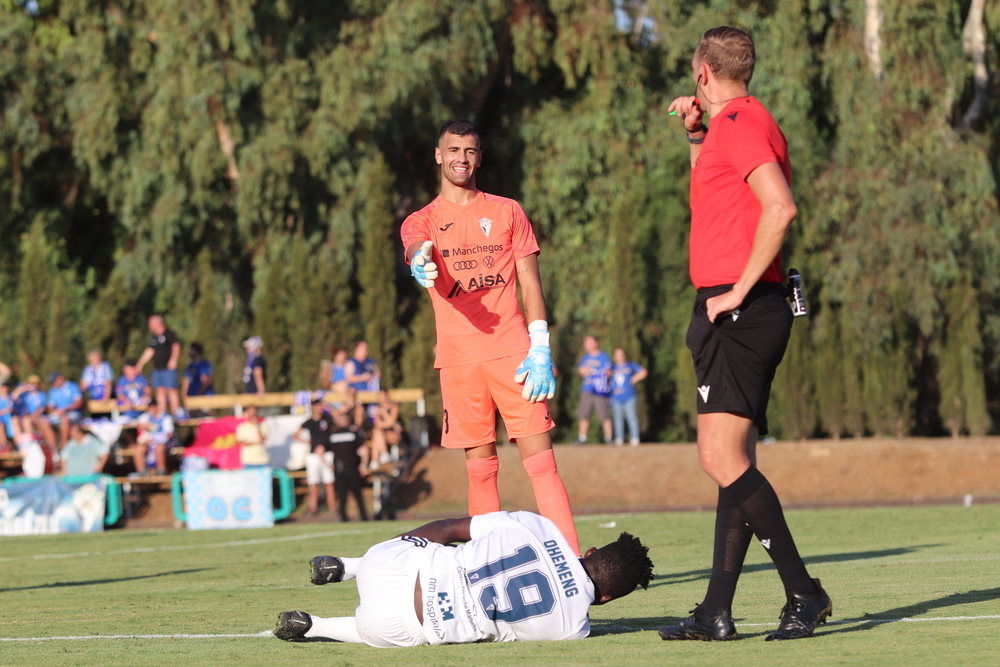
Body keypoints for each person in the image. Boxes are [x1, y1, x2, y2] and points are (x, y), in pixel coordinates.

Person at [660, 26, 831, 643]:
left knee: (719, 458)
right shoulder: (731, 125)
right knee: (732, 464)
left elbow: (780, 207)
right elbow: (713, 199)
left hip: (742, 306)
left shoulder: (741, 123)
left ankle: (805, 593)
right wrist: (694, 134)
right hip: (736, 304)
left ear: (703, 72)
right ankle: (716, 612)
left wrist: (735, 292)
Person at [400, 119, 580, 556]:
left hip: (516, 354)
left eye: (470, 151)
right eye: (453, 150)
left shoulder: (507, 211)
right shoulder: (421, 220)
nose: (462, 158)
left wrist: (541, 345)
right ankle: (490, 567)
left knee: (542, 463)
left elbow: (530, 283)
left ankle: (573, 566)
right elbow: (413, 245)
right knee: (480, 471)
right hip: (459, 361)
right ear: (439, 155)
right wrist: (417, 260)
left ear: (480, 157)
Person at [273, 510, 653, 646]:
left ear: (589, 552)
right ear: (606, 600)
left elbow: (450, 528)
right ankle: (312, 626)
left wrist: (386, 553)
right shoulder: (573, 629)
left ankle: (346, 566)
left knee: (446, 547)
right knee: (375, 630)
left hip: (390, 563)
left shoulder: (539, 526)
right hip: (400, 625)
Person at [134, 314, 182, 418]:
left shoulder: (169, 334)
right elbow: (150, 351)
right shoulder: (154, 338)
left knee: (171, 390)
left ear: (157, 323)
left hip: (168, 369)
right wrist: (140, 364)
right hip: (157, 369)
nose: (149, 326)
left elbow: (176, 346)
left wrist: (173, 360)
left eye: (150, 324)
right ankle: (162, 414)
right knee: (160, 391)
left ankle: (176, 413)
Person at [326, 410, 369, 522]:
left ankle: (344, 518)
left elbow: (320, 450)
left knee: (342, 495)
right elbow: (364, 450)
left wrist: (328, 465)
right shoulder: (353, 433)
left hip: (340, 469)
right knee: (356, 495)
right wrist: (363, 465)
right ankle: (363, 517)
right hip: (351, 468)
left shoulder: (333, 434)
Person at [295, 401, 336, 516]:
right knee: (314, 482)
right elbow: (295, 435)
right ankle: (313, 507)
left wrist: (330, 407)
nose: (320, 409)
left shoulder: (328, 419)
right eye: (318, 406)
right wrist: (308, 442)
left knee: (329, 482)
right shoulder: (309, 422)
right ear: (313, 408)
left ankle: (332, 506)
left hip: (327, 454)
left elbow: (338, 418)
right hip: (314, 455)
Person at [576, 335, 613, 445]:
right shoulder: (584, 358)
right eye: (585, 342)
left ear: (596, 343)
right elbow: (579, 372)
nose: (586, 344)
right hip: (587, 389)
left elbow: (609, 372)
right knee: (584, 414)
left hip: (599, 391)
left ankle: (609, 438)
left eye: (589, 342)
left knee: (604, 414)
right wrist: (582, 371)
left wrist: (594, 371)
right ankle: (582, 438)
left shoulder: (603, 357)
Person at [611, 347, 647, 446]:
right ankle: (619, 438)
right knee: (618, 418)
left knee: (631, 417)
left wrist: (634, 378)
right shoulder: (612, 368)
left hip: (629, 396)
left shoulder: (630, 365)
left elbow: (643, 372)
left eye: (621, 354)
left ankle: (635, 438)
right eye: (617, 354)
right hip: (615, 397)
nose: (619, 356)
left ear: (624, 355)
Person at [12, 375, 56, 447]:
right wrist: (20, 390)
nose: (33, 385)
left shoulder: (42, 394)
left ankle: (33, 441)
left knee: (27, 420)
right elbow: (13, 398)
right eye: (31, 383)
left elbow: (41, 409)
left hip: (38, 417)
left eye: (35, 383)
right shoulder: (24, 395)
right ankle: (28, 442)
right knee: (18, 420)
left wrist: (32, 416)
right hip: (27, 418)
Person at [134, 401, 175, 475]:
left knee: (159, 448)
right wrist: (143, 426)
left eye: (152, 409)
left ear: (157, 407)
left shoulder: (166, 417)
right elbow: (137, 424)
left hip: (164, 442)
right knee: (138, 449)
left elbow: (170, 434)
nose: (151, 411)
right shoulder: (146, 417)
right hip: (149, 442)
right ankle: (141, 472)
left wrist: (156, 439)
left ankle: (161, 471)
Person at [344, 341, 379, 428]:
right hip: (358, 397)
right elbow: (348, 378)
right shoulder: (351, 362)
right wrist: (363, 377)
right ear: (357, 349)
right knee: (359, 411)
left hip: (373, 396)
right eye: (363, 348)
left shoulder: (370, 362)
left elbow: (378, 374)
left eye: (366, 348)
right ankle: (358, 431)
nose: (366, 351)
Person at [46, 371, 84, 450]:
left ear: (61, 378)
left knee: (65, 419)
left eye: (54, 381)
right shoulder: (53, 390)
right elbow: (50, 407)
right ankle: (53, 450)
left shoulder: (72, 386)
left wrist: (65, 409)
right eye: (52, 382)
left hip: (73, 414)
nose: (54, 384)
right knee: (44, 422)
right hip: (59, 415)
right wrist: (55, 411)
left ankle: (64, 447)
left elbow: (79, 402)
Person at [369, 389, 403, 467]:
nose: (382, 399)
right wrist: (388, 423)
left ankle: (375, 461)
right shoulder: (377, 408)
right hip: (382, 434)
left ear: (387, 397)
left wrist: (384, 413)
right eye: (380, 397)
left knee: (376, 436)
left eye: (383, 397)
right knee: (376, 433)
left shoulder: (394, 406)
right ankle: (382, 456)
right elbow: (377, 424)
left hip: (394, 434)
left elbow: (392, 422)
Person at [0, 382, 13, 451]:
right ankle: (4, 446)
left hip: (10, 420)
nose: (5, 389)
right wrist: (6, 410)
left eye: (6, 387)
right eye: (3, 387)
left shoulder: (10, 397)